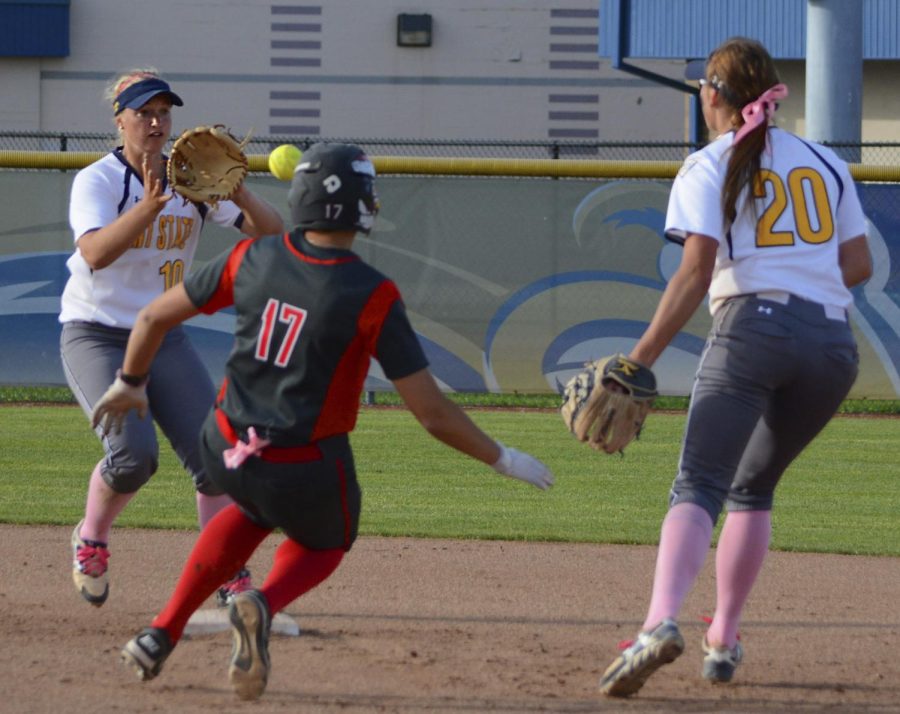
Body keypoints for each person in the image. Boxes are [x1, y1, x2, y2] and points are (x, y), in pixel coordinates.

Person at [90, 142, 554, 700]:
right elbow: (431, 414)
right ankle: (259, 603)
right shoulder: (371, 293)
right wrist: (501, 457)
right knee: (326, 540)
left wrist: (130, 382)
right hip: (301, 465)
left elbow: (152, 315)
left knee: (253, 508)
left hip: (225, 442)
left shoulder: (254, 257)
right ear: (363, 206)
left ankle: (158, 632)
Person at [597, 37, 872, 697]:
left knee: (698, 485)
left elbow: (694, 273)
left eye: (702, 89)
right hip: (834, 348)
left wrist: (639, 360)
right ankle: (722, 638)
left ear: (713, 96)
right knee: (754, 488)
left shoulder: (709, 163)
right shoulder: (826, 162)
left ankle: (659, 622)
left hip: (754, 329)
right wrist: (805, 279)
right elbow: (859, 265)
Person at [61, 68, 285, 609]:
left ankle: (226, 570)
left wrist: (239, 191)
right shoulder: (98, 180)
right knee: (134, 458)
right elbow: (94, 254)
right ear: (120, 121)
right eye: (144, 113)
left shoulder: (192, 176)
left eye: (164, 112)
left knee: (216, 459)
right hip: (97, 335)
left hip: (164, 334)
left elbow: (271, 235)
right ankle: (91, 537)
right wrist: (148, 206)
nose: (156, 122)